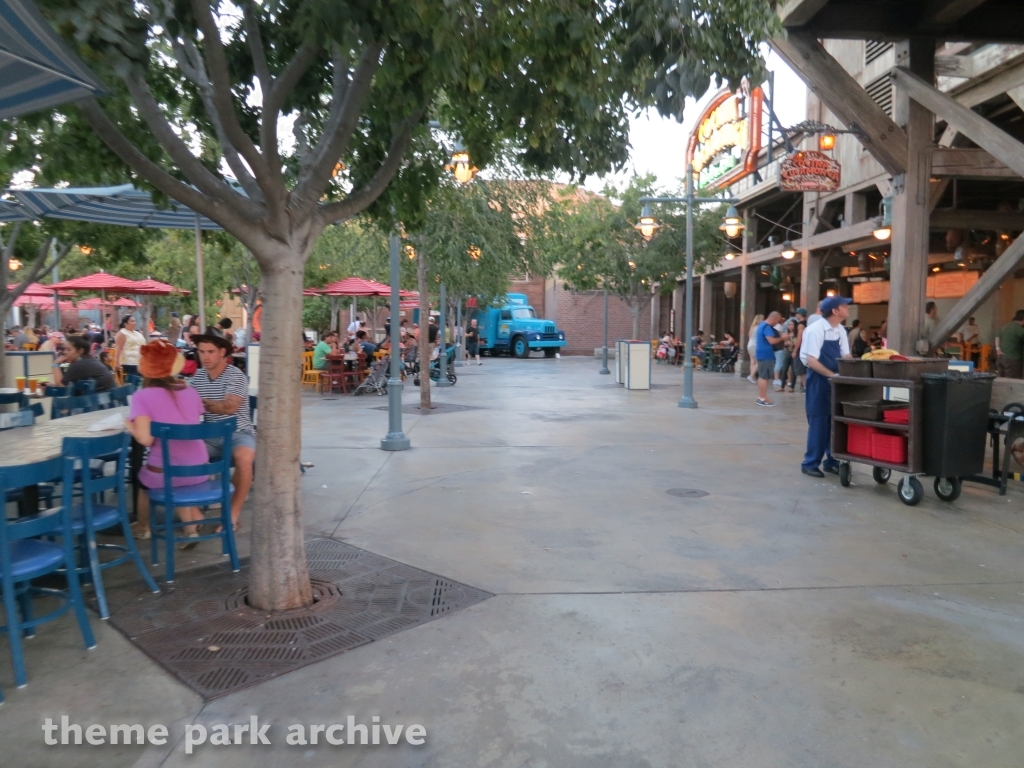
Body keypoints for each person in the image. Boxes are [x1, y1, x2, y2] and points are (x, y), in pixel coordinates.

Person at [124, 339, 209, 545]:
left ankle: (144, 528)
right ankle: (191, 530)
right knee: (176, 474)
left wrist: (130, 425)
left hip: (167, 472)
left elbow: (145, 439)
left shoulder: (142, 396)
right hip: (200, 468)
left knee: (145, 484)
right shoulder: (190, 391)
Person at [189, 331, 255, 531]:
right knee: (180, 456)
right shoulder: (198, 376)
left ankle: (231, 516)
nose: (205, 357)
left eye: (210, 352)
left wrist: (200, 403)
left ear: (222, 352)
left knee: (244, 459)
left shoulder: (236, 375)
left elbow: (229, 407)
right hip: (208, 434)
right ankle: (193, 513)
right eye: (201, 352)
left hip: (239, 432)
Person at [800, 295, 853, 478]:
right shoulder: (815, 330)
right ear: (835, 311)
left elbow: (846, 355)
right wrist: (832, 375)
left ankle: (832, 461)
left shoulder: (841, 330)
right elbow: (811, 360)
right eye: (845, 306)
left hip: (836, 380)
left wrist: (854, 370)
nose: (848, 308)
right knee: (819, 421)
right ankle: (810, 463)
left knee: (835, 421)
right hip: (818, 380)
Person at [51, 335, 117, 392]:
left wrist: (55, 364)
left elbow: (61, 386)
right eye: (64, 349)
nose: (65, 352)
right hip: (111, 400)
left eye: (69, 350)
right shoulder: (90, 360)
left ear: (80, 351)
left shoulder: (78, 365)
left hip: (102, 403)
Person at [755, 311, 789, 406]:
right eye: (777, 321)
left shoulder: (761, 325)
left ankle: (762, 396)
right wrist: (782, 338)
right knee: (764, 377)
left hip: (761, 353)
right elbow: (771, 341)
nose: (777, 323)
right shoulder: (767, 327)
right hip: (766, 354)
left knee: (762, 376)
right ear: (773, 319)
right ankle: (762, 398)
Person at [996, 310, 1024, 379]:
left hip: (1001, 359)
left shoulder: (1006, 326)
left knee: (1001, 382)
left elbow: (997, 337)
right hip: (1012, 360)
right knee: (1013, 383)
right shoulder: (1017, 328)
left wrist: (998, 348)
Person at [791, 308, 808, 393]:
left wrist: (795, 350)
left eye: (797, 313)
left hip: (801, 349)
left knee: (801, 370)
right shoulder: (807, 323)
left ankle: (805, 386)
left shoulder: (800, 325)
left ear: (800, 314)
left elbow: (799, 338)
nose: (795, 315)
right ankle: (803, 386)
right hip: (806, 348)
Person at [746, 314, 764, 384]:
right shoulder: (760, 327)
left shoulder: (752, 327)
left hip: (750, 345)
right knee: (759, 361)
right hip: (756, 345)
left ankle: (752, 377)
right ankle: (751, 375)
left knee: (752, 361)